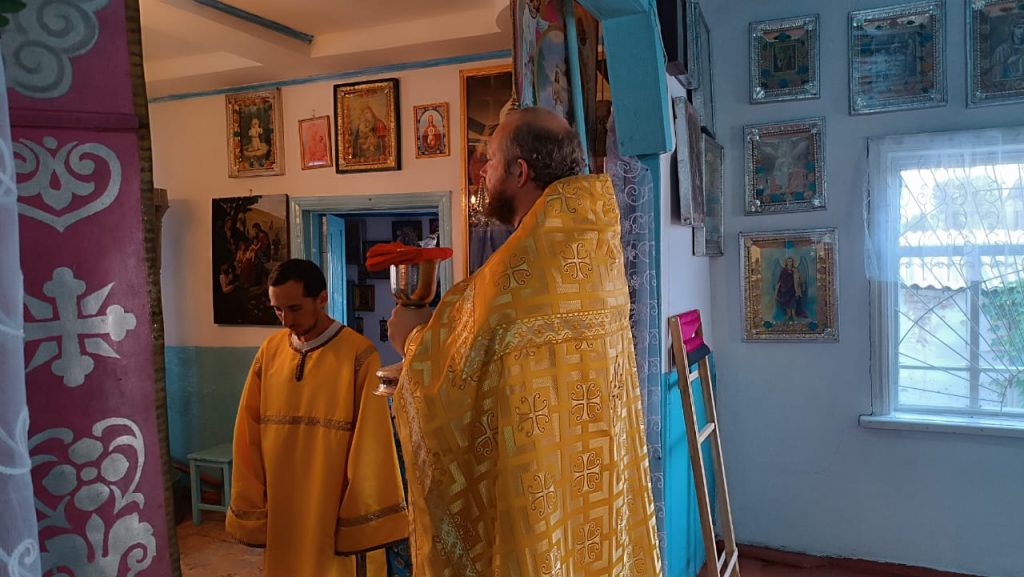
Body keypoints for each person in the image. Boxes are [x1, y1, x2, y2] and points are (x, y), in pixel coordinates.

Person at [387, 107, 662, 576]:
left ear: (519, 172)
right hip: (593, 479)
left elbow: (447, 382)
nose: (481, 170)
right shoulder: (596, 246)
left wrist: (412, 341)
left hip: (539, 485)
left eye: (490, 159)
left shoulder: (518, 275)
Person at [227, 259, 408, 577]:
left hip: (330, 507)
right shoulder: (269, 352)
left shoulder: (358, 354)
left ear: (322, 298)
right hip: (282, 508)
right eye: (277, 310)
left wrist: (358, 513)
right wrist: (253, 500)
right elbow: (247, 435)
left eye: (294, 308)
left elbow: (371, 445)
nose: (286, 321)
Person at [990, 14, 1024, 82]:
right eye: (1019, 27)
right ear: (1013, 28)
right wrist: (1008, 63)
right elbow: (995, 77)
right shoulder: (1001, 50)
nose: (1022, 31)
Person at [775, 256, 806, 321]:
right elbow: (780, 280)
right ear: (786, 262)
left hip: (793, 289)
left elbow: (799, 279)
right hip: (785, 289)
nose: (790, 262)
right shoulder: (783, 270)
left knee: (793, 302)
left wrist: (802, 284)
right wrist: (777, 290)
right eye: (788, 261)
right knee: (787, 303)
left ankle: (794, 315)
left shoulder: (795, 270)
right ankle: (789, 315)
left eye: (791, 261)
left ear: (792, 262)